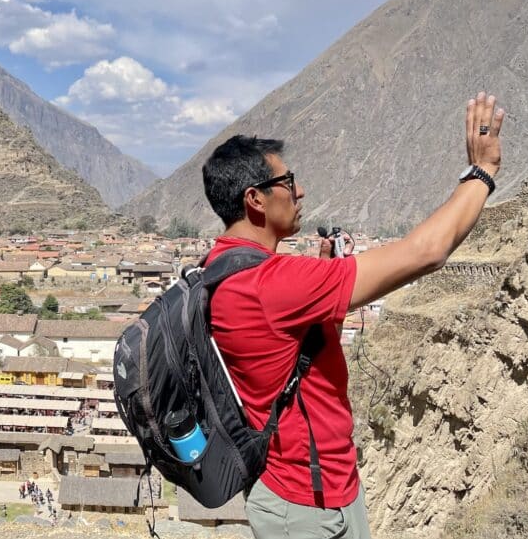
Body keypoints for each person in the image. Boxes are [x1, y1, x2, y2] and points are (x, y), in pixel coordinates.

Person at [203, 93, 504, 538]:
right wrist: (481, 172)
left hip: (314, 491)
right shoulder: (273, 283)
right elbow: (427, 251)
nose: (299, 190)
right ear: (256, 200)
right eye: (288, 181)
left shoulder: (223, 266)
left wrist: (322, 283)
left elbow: (290, 356)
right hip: (307, 506)